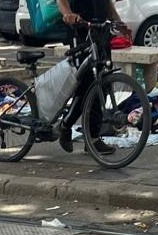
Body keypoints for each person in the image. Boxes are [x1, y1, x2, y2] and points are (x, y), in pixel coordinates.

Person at [54, 0, 128, 155]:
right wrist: (67, 13)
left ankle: (93, 138)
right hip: (79, 29)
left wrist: (118, 21)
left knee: (102, 83)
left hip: (101, 31)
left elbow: (106, 2)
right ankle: (66, 125)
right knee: (86, 84)